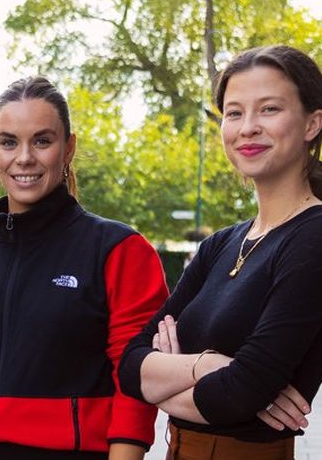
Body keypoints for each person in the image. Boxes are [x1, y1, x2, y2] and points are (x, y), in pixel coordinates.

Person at [0, 77, 169, 460]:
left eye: (42, 141)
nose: (24, 157)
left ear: (68, 148)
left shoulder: (120, 251)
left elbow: (134, 385)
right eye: (8, 142)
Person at [119, 45, 322, 459]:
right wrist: (206, 366)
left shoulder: (313, 237)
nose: (247, 127)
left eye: (268, 109)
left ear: (312, 124)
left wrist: (166, 379)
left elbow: (238, 394)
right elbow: (129, 367)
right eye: (234, 113)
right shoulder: (220, 244)